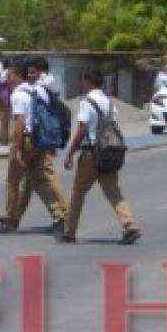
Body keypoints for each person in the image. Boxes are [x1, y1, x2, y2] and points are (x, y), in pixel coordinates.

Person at [61, 68, 140, 245]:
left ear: (88, 81)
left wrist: (70, 153)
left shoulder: (86, 102)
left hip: (90, 153)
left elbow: (82, 130)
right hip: (108, 152)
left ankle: (70, 231)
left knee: (78, 193)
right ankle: (129, 225)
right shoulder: (110, 103)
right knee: (114, 193)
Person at [0, 60, 70, 234]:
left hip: (26, 141)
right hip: (41, 140)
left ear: (19, 76)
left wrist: (16, 147)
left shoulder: (19, 94)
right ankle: (61, 214)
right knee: (41, 180)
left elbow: (20, 122)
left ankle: (11, 219)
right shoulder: (40, 90)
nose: (8, 78)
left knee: (13, 182)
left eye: (10, 75)